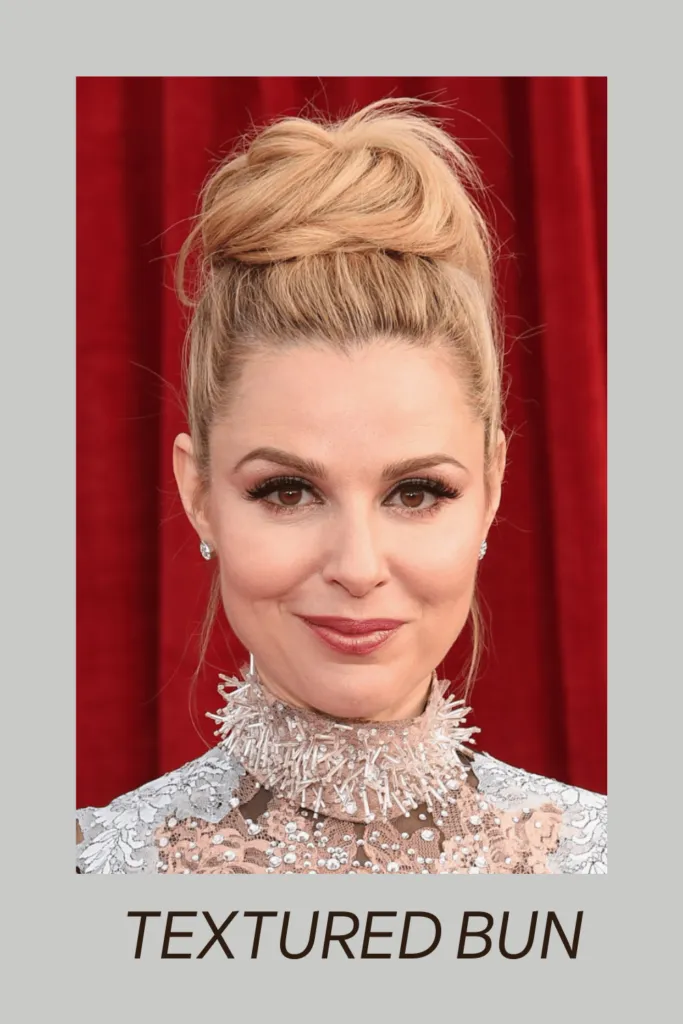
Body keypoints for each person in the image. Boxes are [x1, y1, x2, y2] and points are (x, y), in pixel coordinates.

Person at [76, 99, 607, 875]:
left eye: (417, 492)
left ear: (492, 487)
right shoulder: (85, 877)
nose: (357, 566)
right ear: (197, 493)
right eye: (287, 491)